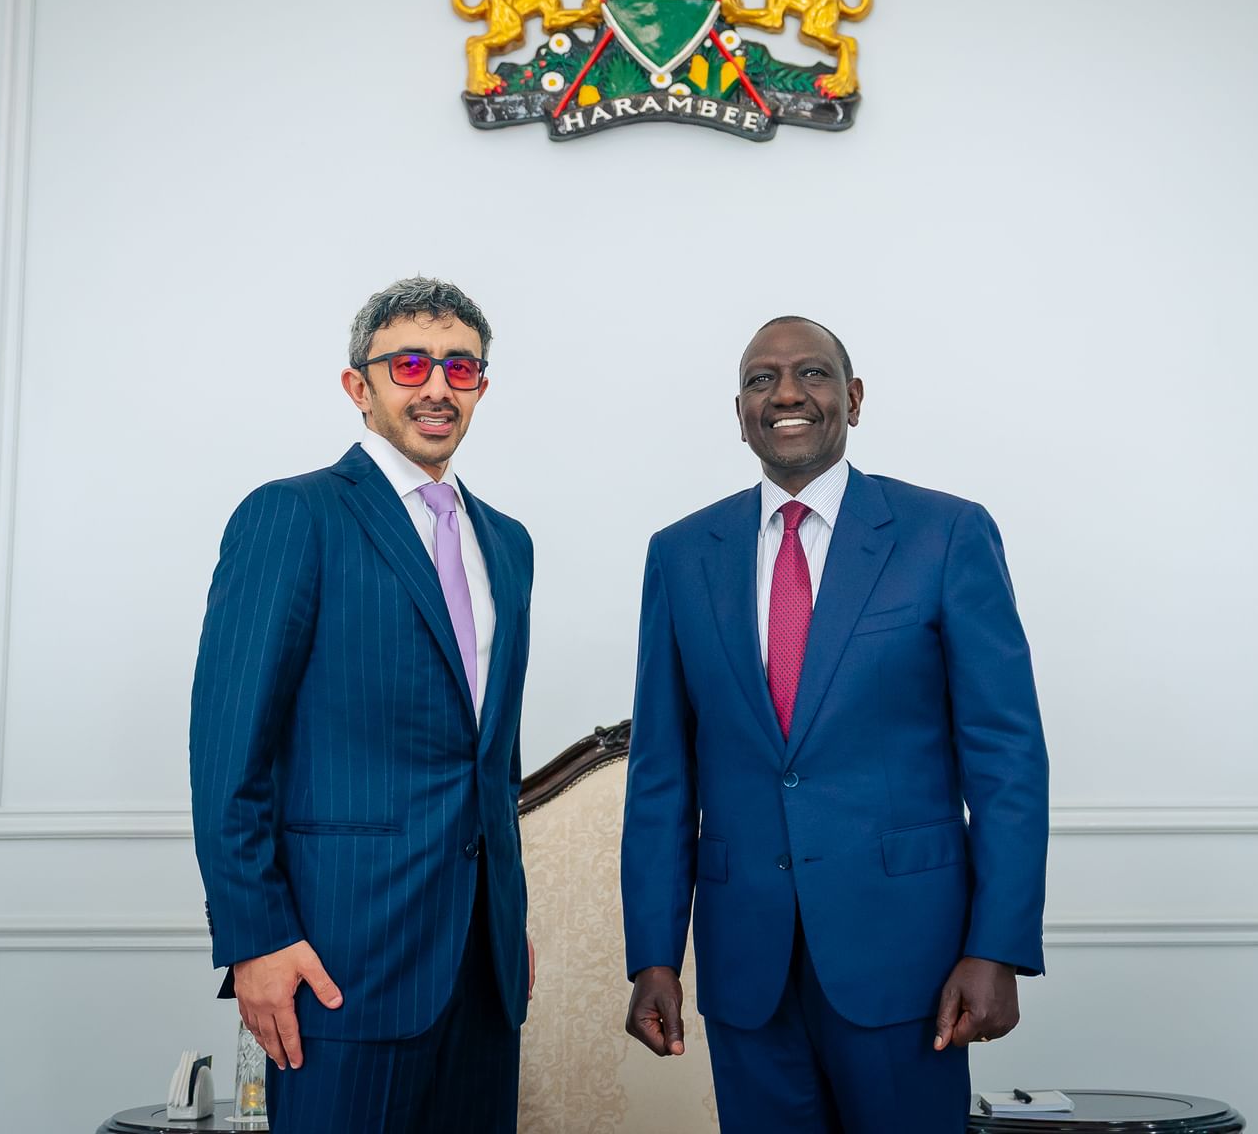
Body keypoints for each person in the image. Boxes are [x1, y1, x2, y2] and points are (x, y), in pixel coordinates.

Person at [619, 315, 1049, 1132]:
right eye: (761, 380)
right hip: (747, 967)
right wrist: (654, 956)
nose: (786, 393)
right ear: (739, 413)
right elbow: (661, 777)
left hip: (908, 960)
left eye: (811, 374)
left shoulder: (945, 535)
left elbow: (1008, 760)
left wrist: (996, 946)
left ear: (852, 399)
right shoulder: (680, 554)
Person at [189, 277, 532, 1134]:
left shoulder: (508, 542)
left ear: (481, 387)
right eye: (410, 364)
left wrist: (504, 911)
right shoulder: (293, 516)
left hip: (482, 966)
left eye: (460, 367)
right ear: (359, 386)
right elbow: (229, 752)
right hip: (339, 958)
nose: (437, 386)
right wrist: (255, 939)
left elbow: (492, 755)